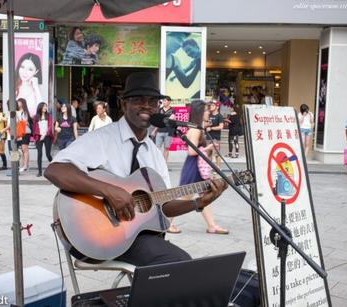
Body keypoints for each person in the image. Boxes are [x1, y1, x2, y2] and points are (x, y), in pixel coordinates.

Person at [45, 72, 228, 267]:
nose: (146, 106)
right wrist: (108, 191)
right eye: (138, 100)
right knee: (177, 262)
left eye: (152, 101)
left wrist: (198, 203)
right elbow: (55, 170)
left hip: (135, 235)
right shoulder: (102, 138)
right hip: (101, 235)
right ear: (124, 105)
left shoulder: (154, 154)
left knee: (171, 261)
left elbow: (163, 206)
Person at [176, 100, 229, 235]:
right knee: (185, 197)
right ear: (200, 112)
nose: (208, 112)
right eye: (206, 110)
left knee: (203, 196)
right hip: (194, 167)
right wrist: (208, 148)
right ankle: (166, 223)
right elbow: (192, 151)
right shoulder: (195, 130)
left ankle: (212, 225)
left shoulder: (196, 128)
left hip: (195, 166)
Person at [15, 52, 43, 117]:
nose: (24, 72)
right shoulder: (15, 86)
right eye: (22, 67)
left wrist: (36, 87)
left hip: (32, 124)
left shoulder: (39, 88)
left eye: (30, 69)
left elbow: (41, 108)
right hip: (17, 124)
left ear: (36, 71)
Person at [151, 96, 175, 162]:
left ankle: (164, 164)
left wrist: (166, 119)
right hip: (159, 131)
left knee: (166, 148)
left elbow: (172, 119)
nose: (164, 102)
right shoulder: (160, 110)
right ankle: (158, 164)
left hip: (168, 131)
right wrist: (154, 131)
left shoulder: (172, 110)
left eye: (165, 101)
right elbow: (158, 121)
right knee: (157, 148)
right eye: (163, 101)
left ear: (169, 102)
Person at [33, 102, 54, 177]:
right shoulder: (36, 117)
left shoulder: (48, 116)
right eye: (44, 106)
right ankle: (39, 171)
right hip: (39, 137)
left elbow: (50, 127)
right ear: (40, 107)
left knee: (48, 154)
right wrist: (36, 137)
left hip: (47, 136)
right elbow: (34, 128)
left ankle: (54, 167)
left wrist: (44, 135)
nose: (45, 108)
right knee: (39, 154)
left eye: (46, 106)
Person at [205, 101, 224, 166]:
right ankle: (208, 168)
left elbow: (221, 126)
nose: (211, 106)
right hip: (208, 137)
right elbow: (205, 124)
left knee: (217, 154)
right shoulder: (208, 115)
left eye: (213, 105)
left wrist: (211, 128)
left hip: (216, 138)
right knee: (208, 153)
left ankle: (218, 168)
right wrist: (206, 126)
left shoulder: (219, 116)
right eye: (211, 105)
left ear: (217, 107)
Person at [16, 98, 32, 172]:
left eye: (19, 102)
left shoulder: (25, 112)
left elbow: (25, 122)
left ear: (22, 103)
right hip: (18, 133)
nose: (18, 103)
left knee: (24, 149)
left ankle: (25, 165)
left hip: (25, 132)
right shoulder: (15, 112)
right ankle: (21, 165)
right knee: (17, 149)